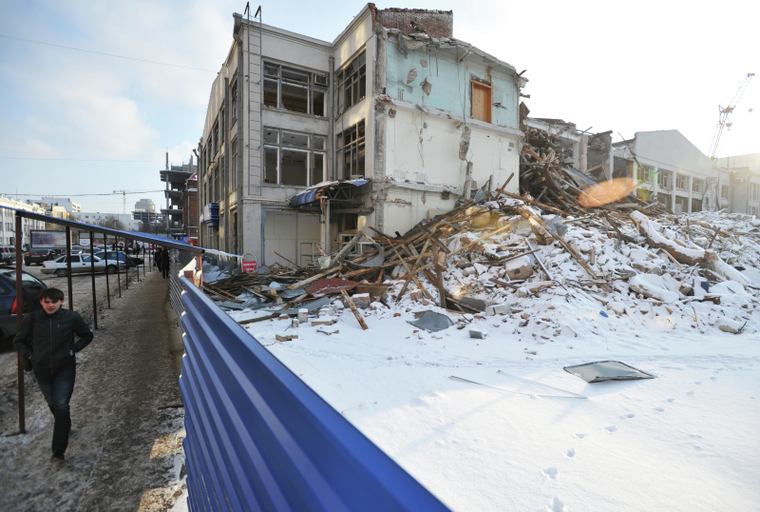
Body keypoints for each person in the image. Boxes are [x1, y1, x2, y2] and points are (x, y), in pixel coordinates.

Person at [13, 288, 94, 462]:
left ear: (61, 301)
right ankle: (65, 424)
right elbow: (18, 340)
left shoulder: (71, 317)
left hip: (64, 368)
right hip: (41, 369)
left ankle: (58, 450)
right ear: (41, 302)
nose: (51, 305)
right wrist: (30, 355)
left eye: (54, 301)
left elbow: (87, 335)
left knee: (61, 404)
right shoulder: (31, 319)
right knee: (52, 403)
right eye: (47, 302)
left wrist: (73, 350)